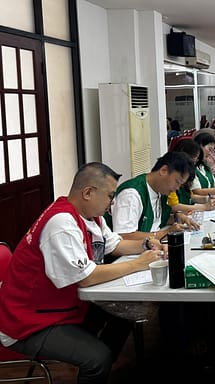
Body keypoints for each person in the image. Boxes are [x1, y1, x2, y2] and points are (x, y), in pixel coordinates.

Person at [0, 162, 165, 384]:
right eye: (110, 195)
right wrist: (138, 264)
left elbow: (115, 245)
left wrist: (147, 244)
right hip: (28, 323)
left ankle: (100, 363)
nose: (112, 202)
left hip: (61, 308)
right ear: (88, 193)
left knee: (125, 314)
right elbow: (87, 277)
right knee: (97, 359)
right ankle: (97, 362)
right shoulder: (61, 223)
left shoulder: (91, 216)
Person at [110, 151, 197, 241]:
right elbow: (124, 236)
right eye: (177, 182)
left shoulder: (160, 190)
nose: (177, 188)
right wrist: (165, 233)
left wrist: (176, 217)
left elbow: (154, 220)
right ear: (163, 170)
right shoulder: (131, 195)